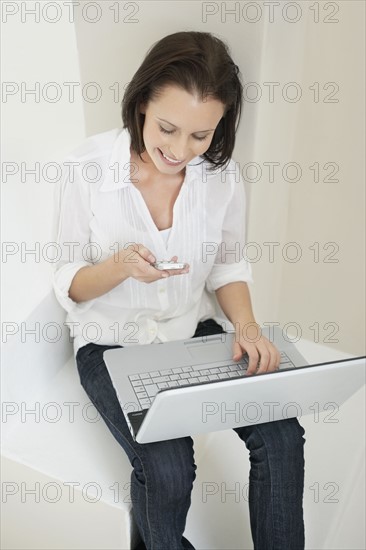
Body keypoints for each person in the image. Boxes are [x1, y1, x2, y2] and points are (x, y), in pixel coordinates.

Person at [53, 31, 305, 550]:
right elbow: (71, 284)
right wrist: (121, 266)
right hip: (110, 342)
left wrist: (249, 328)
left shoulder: (222, 177)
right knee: (166, 467)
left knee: (280, 434)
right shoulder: (87, 168)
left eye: (200, 136)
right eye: (167, 128)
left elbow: (229, 268)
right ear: (142, 102)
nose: (179, 150)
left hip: (191, 328)